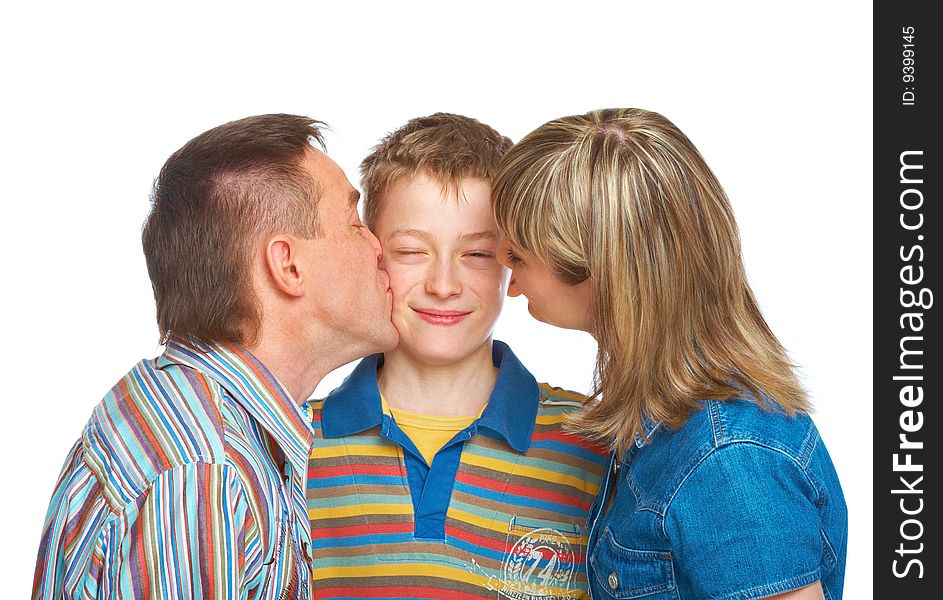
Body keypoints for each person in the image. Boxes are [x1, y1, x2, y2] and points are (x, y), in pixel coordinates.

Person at [32, 114, 398, 599]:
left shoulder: (222, 429)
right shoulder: (201, 474)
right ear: (288, 265)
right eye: (355, 225)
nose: (380, 248)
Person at [491, 108, 848, 599]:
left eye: (519, 258)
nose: (510, 286)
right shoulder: (660, 427)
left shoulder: (729, 461)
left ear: (599, 269)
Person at [305, 113, 610, 598]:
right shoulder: (292, 446)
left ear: (517, 261)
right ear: (372, 253)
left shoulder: (596, 444)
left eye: (477, 255)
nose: (443, 285)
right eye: (411, 251)